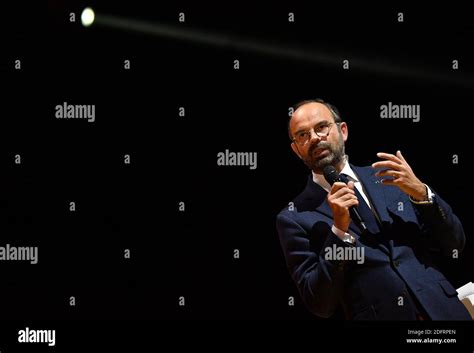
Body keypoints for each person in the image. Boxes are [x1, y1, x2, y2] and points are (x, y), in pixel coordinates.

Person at [276, 99, 471, 320]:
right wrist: (339, 231)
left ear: (343, 131)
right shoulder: (295, 216)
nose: (314, 138)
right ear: (296, 150)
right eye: (302, 135)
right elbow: (320, 302)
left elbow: (454, 243)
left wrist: (422, 194)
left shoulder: (389, 177)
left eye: (321, 127)